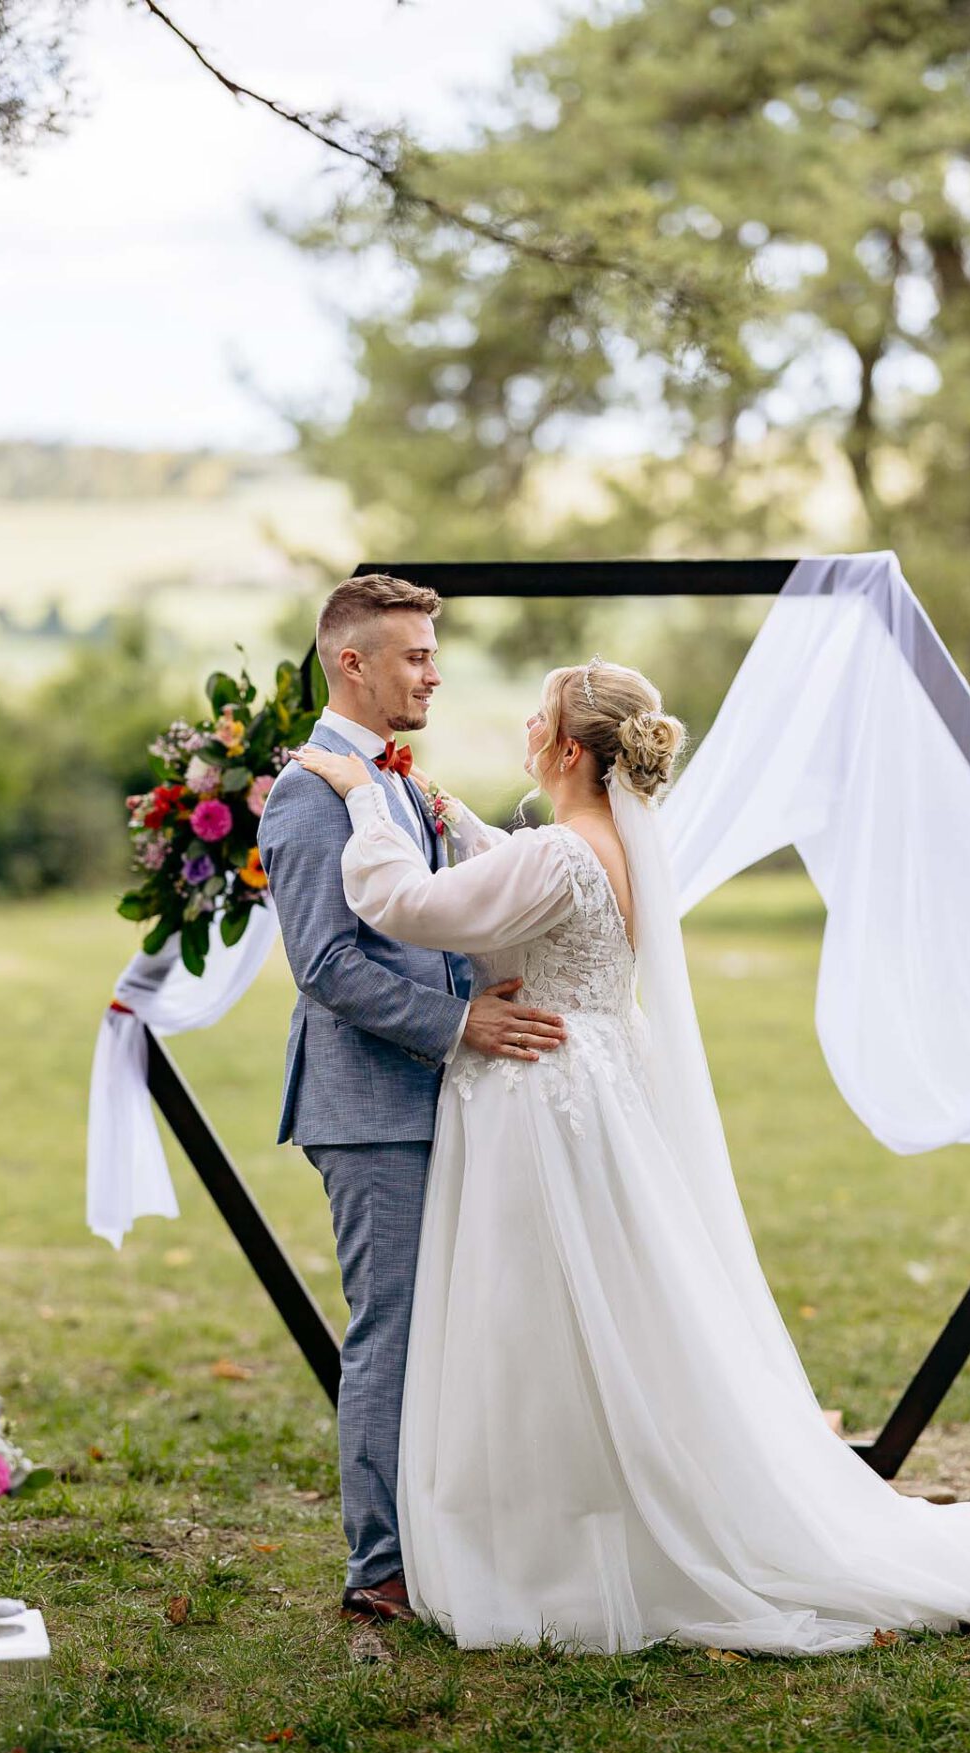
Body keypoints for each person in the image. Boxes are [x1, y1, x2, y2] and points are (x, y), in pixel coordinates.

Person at [293, 655, 970, 1656]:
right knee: (600, 1313)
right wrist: (448, 812)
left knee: (533, 1316)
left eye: (539, 717)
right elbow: (512, 875)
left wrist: (364, 800)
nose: (527, 731)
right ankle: (592, 1513)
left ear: (568, 750)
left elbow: (405, 905)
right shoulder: (608, 845)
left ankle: (552, 1545)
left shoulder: (556, 854)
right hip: (593, 1093)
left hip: (538, 1101)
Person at [256, 574, 567, 1625]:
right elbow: (325, 965)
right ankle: (379, 1567)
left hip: (438, 1095)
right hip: (369, 1108)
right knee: (390, 1330)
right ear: (353, 663)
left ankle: (442, 1539)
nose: (434, 673)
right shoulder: (308, 794)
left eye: (434, 653)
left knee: (448, 1324)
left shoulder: (396, 780)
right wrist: (458, 1023)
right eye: (416, 655)